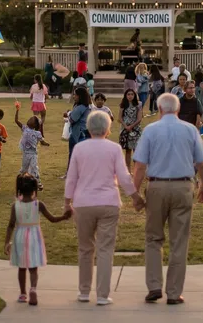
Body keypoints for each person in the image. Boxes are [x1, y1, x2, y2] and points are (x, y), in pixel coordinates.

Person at [132, 93, 203, 305]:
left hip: (156, 186)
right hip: (183, 185)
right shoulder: (190, 130)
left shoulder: (150, 130)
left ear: (159, 109)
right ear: (177, 109)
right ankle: (174, 292)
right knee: (179, 241)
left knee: (153, 238)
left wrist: (135, 192)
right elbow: (202, 164)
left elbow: (139, 166)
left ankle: (154, 286)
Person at [65, 111, 143, 306]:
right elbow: (124, 176)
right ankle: (102, 294)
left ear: (89, 128)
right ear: (107, 129)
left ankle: (84, 291)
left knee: (85, 248)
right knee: (105, 249)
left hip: (83, 203)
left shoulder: (80, 148)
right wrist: (135, 196)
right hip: (108, 202)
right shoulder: (114, 149)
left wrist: (67, 202)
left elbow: (71, 177)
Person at [5, 174, 71, 306]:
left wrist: (7, 242)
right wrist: (64, 217)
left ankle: (23, 293)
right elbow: (52, 219)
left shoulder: (15, 206)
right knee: (33, 267)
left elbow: (11, 225)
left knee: (22, 267)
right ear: (34, 189)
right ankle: (33, 289)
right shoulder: (38, 204)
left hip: (20, 236)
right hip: (34, 236)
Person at [15, 102, 48, 184]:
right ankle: (21, 181)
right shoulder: (24, 128)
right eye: (30, 118)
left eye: (32, 120)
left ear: (35, 125)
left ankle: (38, 182)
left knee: (34, 168)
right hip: (26, 153)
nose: (29, 119)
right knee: (24, 169)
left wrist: (45, 143)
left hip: (33, 154)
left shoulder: (37, 133)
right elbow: (16, 121)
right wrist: (17, 110)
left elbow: (42, 141)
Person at [63, 87, 93, 179]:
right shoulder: (86, 106)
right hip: (84, 132)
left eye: (75, 95)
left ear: (80, 96)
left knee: (73, 154)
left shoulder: (80, 107)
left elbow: (72, 119)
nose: (74, 96)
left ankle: (70, 174)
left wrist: (68, 115)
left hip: (78, 133)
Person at [118, 89, 143, 169]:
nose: (130, 96)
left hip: (136, 130)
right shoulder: (123, 104)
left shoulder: (138, 104)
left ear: (134, 95)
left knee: (136, 150)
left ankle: (136, 169)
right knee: (128, 151)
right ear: (125, 95)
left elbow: (139, 118)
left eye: (132, 94)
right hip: (125, 130)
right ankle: (128, 169)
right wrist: (126, 126)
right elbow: (119, 118)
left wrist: (131, 126)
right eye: (128, 94)